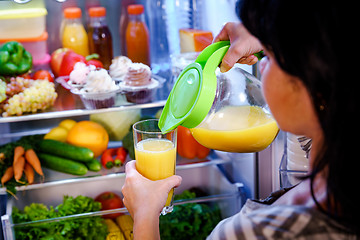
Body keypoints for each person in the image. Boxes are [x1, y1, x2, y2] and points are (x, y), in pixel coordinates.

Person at [122, 0, 359, 239]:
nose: (262, 65)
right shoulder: (334, 144)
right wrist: (264, 31)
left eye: (272, 56)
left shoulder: (252, 233)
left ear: (316, 83)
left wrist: (144, 214)